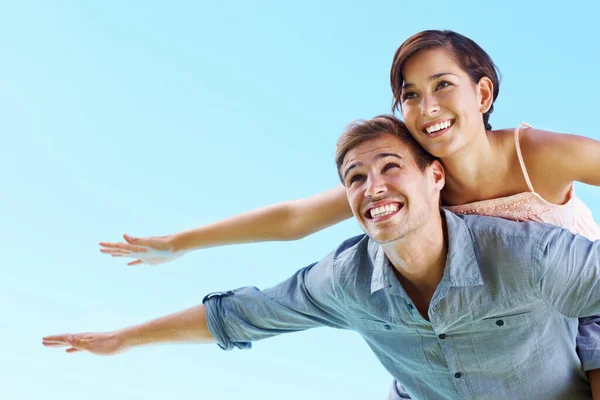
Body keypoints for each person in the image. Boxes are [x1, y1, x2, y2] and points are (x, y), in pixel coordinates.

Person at [99, 30, 600, 398]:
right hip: (472, 329)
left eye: (443, 85)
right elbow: (294, 219)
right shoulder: (410, 180)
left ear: (483, 94)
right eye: (410, 94)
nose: (428, 107)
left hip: (576, 312)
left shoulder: (539, 155)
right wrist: (177, 244)